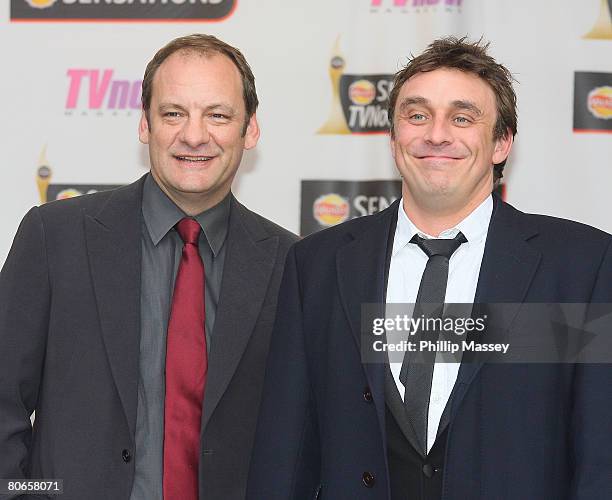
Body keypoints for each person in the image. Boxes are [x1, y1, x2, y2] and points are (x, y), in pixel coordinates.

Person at [247, 37, 612, 499]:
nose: (436, 134)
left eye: (462, 118)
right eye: (417, 115)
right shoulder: (317, 265)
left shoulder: (581, 268)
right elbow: (285, 456)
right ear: (394, 138)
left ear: (501, 143)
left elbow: (601, 458)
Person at [0, 34, 297, 500]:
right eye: (173, 113)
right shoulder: (54, 237)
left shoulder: (290, 263)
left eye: (217, 115)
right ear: (145, 125)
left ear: (251, 130)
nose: (194, 135)